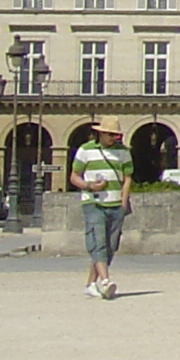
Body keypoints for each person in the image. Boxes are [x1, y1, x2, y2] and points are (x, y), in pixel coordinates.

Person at [73, 118, 133, 299]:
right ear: (101, 133)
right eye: (110, 134)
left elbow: (127, 177)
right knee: (98, 242)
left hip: (115, 204)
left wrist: (123, 202)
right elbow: (74, 176)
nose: (113, 138)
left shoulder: (123, 152)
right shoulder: (85, 150)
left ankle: (91, 283)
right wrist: (89, 186)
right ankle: (106, 281)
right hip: (93, 202)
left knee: (110, 246)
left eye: (116, 135)